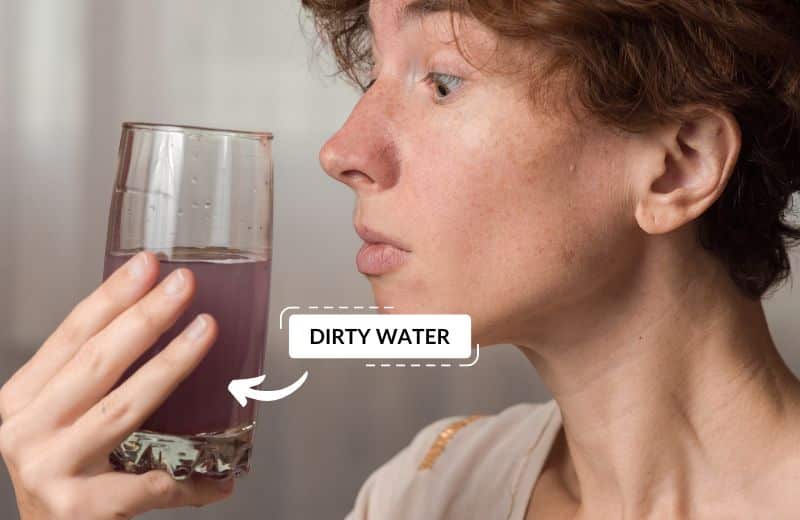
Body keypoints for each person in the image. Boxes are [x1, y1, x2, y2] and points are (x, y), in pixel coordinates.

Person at [2, 0, 800, 518]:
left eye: (443, 81)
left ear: (679, 165)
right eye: (372, 73)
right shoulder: (424, 491)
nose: (342, 150)